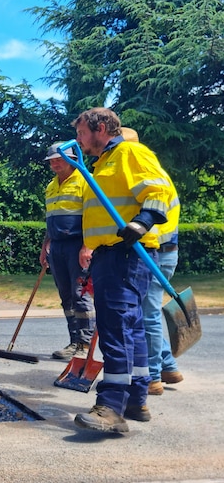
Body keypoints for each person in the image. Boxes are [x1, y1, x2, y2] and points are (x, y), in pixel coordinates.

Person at [71, 108, 177, 433]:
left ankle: (111, 408)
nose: (78, 139)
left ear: (100, 127)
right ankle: (136, 398)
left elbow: (160, 191)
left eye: (81, 133)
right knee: (131, 329)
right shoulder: (103, 162)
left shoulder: (130, 152)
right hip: (113, 255)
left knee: (116, 328)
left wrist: (141, 223)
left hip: (125, 253)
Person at [122, 128, 184, 395]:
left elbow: (154, 223)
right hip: (163, 252)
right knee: (151, 313)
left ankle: (153, 377)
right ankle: (168, 366)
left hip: (155, 253)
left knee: (147, 315)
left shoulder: (149, 178)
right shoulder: (156, 175)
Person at [39, 142, 96, 360]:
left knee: (80, 294)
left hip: (77, 245)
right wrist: (46, 245)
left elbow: (93, 216)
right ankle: (74, 340)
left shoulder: (85, 180)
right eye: (51, 161)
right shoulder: (51, 186)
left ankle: (84, 343)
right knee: (66, 296)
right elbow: (51, 218)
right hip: (58, 246)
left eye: (59, 159)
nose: (54, 164)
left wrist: (87, 246)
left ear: (72, 159)